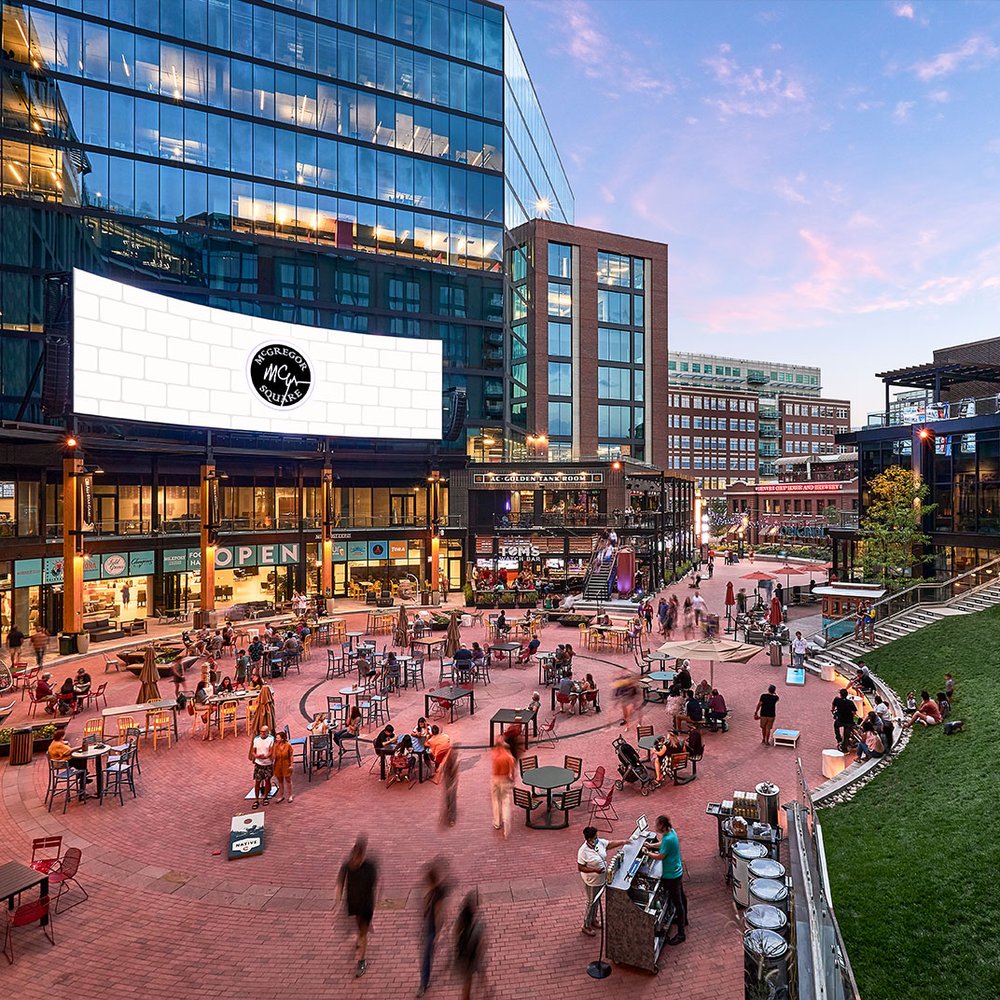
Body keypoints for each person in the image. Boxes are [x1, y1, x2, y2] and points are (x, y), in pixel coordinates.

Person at [577, 826, 629, 935]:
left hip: (601, 879)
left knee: (597, 901)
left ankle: (593, 919)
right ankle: (586, 925)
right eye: (595, 837)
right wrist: (594, 870)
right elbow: (581, 867)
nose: (597, 838)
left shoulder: (599, 843)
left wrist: (623, 842)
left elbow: (609, 844)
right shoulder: (583, 851)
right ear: (589, 839)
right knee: (591, 902)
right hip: (592, 881)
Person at [644, 815, 687, 945]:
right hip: (676, 871)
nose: (655, 826)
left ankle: (681, 933)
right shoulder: (670, 833)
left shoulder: (668, 839)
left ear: (662, 825)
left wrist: (647, 852)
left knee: (677, 902)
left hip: (671, 875)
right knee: (681, 897)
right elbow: (662, 845)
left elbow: (661, 856)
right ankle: (684, 919)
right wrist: (651, 845)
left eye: (657, 824)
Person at [338, 838, 378, 978]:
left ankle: (361, 961)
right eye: (353, 858)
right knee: (359, 928)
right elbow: (340, 882)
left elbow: (375, 885)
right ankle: (360, 940)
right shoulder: (347, 865)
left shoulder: (369, 867)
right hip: (354, 904)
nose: (355, 862)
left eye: (357, 859)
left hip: (366, 905)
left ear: (361, 856)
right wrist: (337, 900)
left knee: (363, 932)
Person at [417, 861, 450, 996]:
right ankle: (449, 952)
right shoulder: (428, 891)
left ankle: (424, 983)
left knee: (426, 954)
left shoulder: (437, 894)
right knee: (428, 950)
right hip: (428, 925)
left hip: (433, 926)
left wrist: (438, 932)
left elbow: (438, 913)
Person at [454, 892, 484, 1000]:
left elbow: (455, 933)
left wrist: (456, 948)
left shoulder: (461, 919)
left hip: (462, 954)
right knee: (468, 982)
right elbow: (480, 943)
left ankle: (469, 995)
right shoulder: (477, 925)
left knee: (467, 980)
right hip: (470, 956)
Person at [490, 733, 515, 838]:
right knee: (506, 803)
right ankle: (506, 825)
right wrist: (512, 780)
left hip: (496, 779)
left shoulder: (494, 754)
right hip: (505, 779)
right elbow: (512, 772)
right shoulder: (509, 757)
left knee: (495, 801)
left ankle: (497, 822)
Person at [249, 724, 274, 808]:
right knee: (257, 781)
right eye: (261, 731)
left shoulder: (271, 739)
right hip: (258, 763)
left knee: (267, 780)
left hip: (267, 763)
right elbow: (253, 751)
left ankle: (265, 797)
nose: (262, 733)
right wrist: (256, 756)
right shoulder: (256, 739)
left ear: (267, 732)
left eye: (264, 732)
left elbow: (271, 751)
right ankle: (256, 799)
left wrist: (266, 756)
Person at [831, 688, 857, 752]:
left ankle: (839, 739)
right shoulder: (850, 702)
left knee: (836, 726)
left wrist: (833, 711)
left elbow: (833, 706)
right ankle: (844, 747)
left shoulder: (837, 700)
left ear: (840, 695)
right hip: (849, 721)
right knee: (846, 734)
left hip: (840, 720)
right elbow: (854, 712)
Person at [440, 743, 460, 827]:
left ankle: (449, 812)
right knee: (452, 799)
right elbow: (454, 772)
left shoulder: (447, 758)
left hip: (448, 780)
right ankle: (451, 818)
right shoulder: (453, 759)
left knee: (449, 797)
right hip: (451, 781)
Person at [272, 729, 294, 802]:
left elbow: (291, 755)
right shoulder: (275, 746)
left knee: (288, 780)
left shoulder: (288, 745)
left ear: (282, 738)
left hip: (286, 764)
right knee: (280, 781)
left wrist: (291, 764)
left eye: (278, 738)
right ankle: (281, 795)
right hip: (278, 764)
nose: (276, 739)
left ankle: (290, 795)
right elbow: (274, 756)